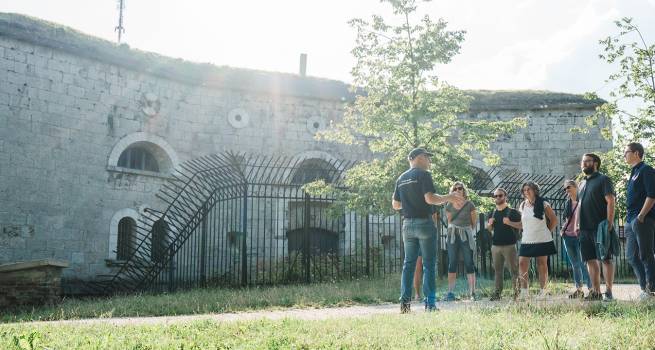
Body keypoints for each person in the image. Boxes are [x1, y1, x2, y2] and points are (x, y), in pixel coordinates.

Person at [392, 148, 463, 313]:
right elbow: (430, 199)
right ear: (417, 158)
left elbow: (395, 205)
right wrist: (449, 197)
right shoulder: (424, 175)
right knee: (429, 265)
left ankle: (404, 305)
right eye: (426, 157)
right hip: (424, 223)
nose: (429, 161)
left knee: (408, 265)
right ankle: (430, 305)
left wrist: (410, 204)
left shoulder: (401, 178)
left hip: (407, 225)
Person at [575, 153, 616, 301]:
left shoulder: (603, 179)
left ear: (595, 163)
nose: (584, 164)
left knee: (605, 259)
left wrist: (609, 223)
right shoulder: (582, 183)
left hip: (600, 227)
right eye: (583, 162)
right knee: (590, 260)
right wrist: (577, 224)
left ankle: (609, 291)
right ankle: (595, 292)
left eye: (587, 161)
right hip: (584, 228)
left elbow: (611, 201)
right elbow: (579, 205)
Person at [623, 142, 655, 300]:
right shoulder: (633, 172)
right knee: (631, 256)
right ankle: (645, 288)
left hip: (642, 219)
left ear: (636, 153)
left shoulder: (646, 170)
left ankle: (651, 290)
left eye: (626, 152)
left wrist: (641, 216)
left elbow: (652, 195)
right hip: (630, 220)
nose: (624, 155)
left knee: (646, 254)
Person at [517, 181, 558, 300]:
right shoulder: (523, 205)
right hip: (527, 239)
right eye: (524, 190)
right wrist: (509, 223)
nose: (526, 192)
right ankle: (524, 292)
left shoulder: (544, 203)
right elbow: (523, 224)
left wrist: (546, 232)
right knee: (522, 263)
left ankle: (543, 292)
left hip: (542, 239)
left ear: (535, 190)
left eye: (528, 189)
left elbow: (554, 220)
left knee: (542, 264)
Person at [444, 182, 478, 301]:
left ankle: (472, 292)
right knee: (452, 262)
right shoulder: (449, 205)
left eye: (460, 188)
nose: (458, 190)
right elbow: (449, 221)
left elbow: (474, 222)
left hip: (466, 234)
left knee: (469, 262)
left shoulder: (470, 204)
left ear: (464, 190)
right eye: (455, 188)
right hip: (453, 234)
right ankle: (450, 292)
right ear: (452, 191)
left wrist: (466, 231)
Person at [486, 187, 521, 301]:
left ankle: (517, 294)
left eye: (500, 195)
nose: (498, 198)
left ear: (505, 197)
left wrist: (509, 222)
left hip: (510, 246)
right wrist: (489, 225)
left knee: (514, 271)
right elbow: (489, 229)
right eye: (495, 196)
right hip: (495, 246)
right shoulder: (492, 212)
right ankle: (497, 294)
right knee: (497, 271)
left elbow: (522, 225)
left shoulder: (513, 212)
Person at [561, 180, 592, 298]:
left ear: (575, 187)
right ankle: (579, 289)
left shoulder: (582, 201)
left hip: (579, 236)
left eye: (568, 187)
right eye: (565, 189)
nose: (566, 190)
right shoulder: (567, 203)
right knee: (575, 264)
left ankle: (591, 288)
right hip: (567, 236)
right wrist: (562, 229)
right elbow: (567, 219)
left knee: (583, 263)